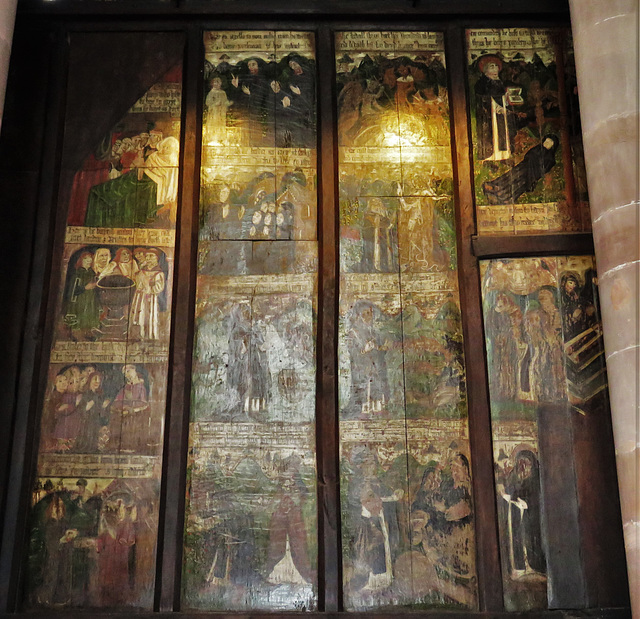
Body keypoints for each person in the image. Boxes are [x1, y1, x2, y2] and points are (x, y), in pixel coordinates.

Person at [481, 134, 560, 204]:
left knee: (520, 185)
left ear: (553, 146)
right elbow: (528, 156)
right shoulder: (537, 149)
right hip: (524, 167)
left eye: (550, 143)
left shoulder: (550, 159)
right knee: (511, 176)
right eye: (546, 141)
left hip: (532, 175)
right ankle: (495, 186)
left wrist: (534, 169)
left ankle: (505, 197)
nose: (547, 144)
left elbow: (543, 169)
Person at [474, 55, 517, 162]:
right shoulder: (482, 84)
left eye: (496, 66)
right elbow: (484, 99)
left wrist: (507, 100)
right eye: (491, 67)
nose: (495, 69)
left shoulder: (500, 83)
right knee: (492, 134)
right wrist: (495, 107)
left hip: (501, 115)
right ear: (485, 71)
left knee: (503, 133)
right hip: (490, 116)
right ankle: (490, 157)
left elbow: (502, 97)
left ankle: (503, 155)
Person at [130, 248, 165, 340]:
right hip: (140, 296)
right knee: (140, 313)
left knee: (150, 314)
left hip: (151, 297)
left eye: (151, 256)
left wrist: (150, 287)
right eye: (147, 256)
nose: (148, 258)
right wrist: (143, 284)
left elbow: (159, 286)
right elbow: (138, 284)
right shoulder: (142, 271)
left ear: (156, 258)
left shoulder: (158, 272)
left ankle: (150, 335)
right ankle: (140, 334)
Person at [64, 251, 100, 339]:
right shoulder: (77, 273)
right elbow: (72, 290)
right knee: (79, 317)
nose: (88, 261)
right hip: (79, 300)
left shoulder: (92, 272)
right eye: (86, 259)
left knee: (89, 316)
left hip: (90, 299)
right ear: (81, 261)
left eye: (90, 259)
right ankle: (75, 334)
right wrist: (84, 288)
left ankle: (88, 333)